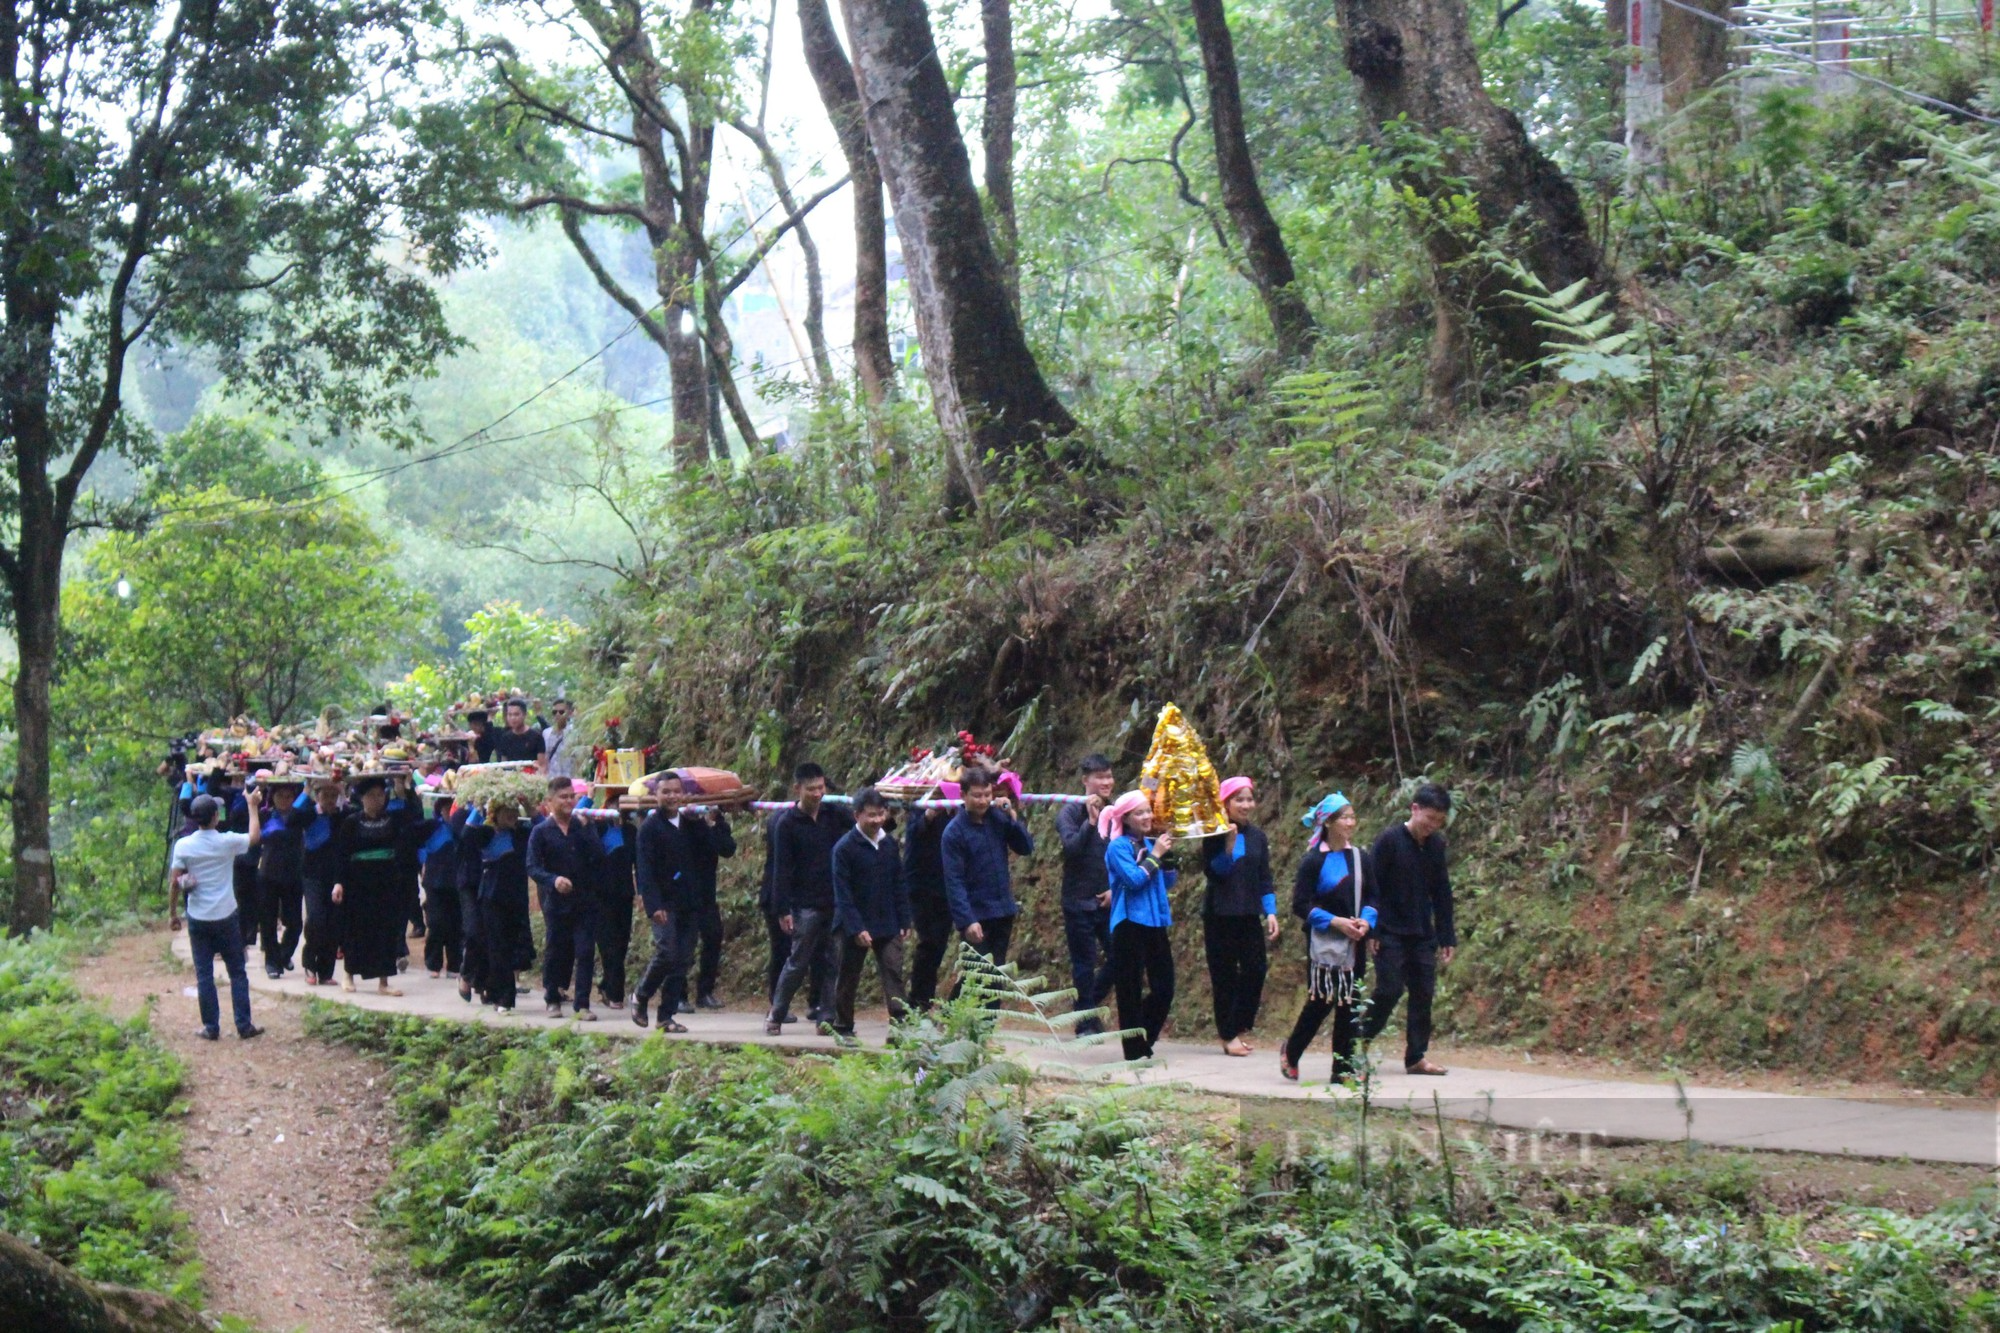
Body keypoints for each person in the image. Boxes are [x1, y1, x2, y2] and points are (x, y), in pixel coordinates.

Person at [1280, 793, 1379, 1084]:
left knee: (1350, 1000)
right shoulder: (1313, 861)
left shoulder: (1361, 857)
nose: (1351, 822)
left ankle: (1342, 1068)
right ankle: (1292, 1050)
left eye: (1352, 816)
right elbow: (1301, 904)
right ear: (1329, 823)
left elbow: (1374, 895)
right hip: (1324, 944)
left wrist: (1366, 922)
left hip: (1355, 942)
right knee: (1321, 1001)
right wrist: (1335, 922)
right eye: (1345, 817)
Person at [1360, 783, 1457, 1076]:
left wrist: (1446, 934)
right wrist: (1372, 929)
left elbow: (1441, 891)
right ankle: (1356, 1041)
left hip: (1421, 931)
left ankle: (1416, 1056)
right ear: (1414, 809)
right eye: (1429, 818)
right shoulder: (1389, 840)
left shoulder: (1436, 846)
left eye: (1439, 821)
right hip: (1388, 930)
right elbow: (1370, 886)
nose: (1432, 825)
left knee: (1423, 993)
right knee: (1389, 989)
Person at [169, 789, 266, 1040]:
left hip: (198, 917)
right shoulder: (226, 842)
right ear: (215, 816)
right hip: (225, 915)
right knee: (237, 971)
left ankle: (211, 1027)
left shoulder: (184, 846)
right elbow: (254, 836)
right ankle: (244, 1024)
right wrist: (252, 805)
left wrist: (173, 914)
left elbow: (174, 882)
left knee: (204, 974)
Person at [764, 762, 853, 1035]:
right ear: (798, 789)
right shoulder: (787, 824)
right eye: (811, 789)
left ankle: (826, 1018)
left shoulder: (835, 814)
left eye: (821, 788)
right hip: (804, 905)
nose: (817, 794)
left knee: (831, 963)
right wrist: (783, 909)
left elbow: (862, 829)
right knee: (797, 962)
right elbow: (781, 870)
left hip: (834, 902)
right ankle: (776, 1014)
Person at [829, 788, 913, 1042]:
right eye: (870, 815)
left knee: (894, 973)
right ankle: (843, 1027)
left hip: (887, 921)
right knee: (848, 976)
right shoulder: (844, 849)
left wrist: (904, 918)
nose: (876, 820)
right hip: (853, 925)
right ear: (857, 815)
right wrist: (856, 928)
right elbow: (842, 894)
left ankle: (900, 1029)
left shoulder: (888, 845)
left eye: (880, 814)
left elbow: (899, 882)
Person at [1202, 776, 1278, 1056]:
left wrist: (1271, 911)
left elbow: (1264, 877)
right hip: (1220, 914)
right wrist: (1229, 844)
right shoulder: (1214, 833)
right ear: (1226, 803)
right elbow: (1215, 873)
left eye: (1249, 799)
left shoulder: (1258, 837)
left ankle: (1237, 1025)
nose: (1246, 805)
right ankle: (1228, 1034)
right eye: (1239, 799)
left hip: (1248, 914)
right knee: (1224, 977)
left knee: (1256, 969)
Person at [1101, 792, 1175, 1061]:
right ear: (1126, 818)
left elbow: (1166, 883)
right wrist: (1155, 856)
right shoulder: (1118, 847)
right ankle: (1133, 1051)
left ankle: (1143, 1036)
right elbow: (1133, 880)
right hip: (1129, 922)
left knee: (1164, 987)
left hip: (1155, 920)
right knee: (1129, 989)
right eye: (1139, 813)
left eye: (1148, 811)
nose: (1147, 817)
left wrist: (1168, 859)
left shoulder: (1152, 843)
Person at [940, 769, 1035, 972]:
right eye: (976, 796)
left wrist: (1012, 818)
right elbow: (954, 881)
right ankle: (956, 1006)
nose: (983, 801)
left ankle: (968, 1006)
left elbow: (1025, 847)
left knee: (996, 975)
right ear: (963, 795)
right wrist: (967, 921)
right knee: (977, 976)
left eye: (987, 795)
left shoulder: (997, 819)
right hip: (977, 914)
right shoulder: (954, 833)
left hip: (1002, 910)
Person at [527, 775, 603, 1020]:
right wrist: (553, 880)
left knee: (585, 951)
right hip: (556, 902)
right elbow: (533, 867)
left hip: (584, 900)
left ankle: (582, 1004)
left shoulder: (582, 827)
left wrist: (588, 828)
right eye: (563, 797)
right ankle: (552, 997)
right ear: (549, 802)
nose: (569, 801)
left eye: (572, 796)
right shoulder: (541, 832)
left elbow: (599, 857)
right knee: (555, 950)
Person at [1055, 754, 1118, 1035]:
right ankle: (1085, 1021)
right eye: (1100, 777)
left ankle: (1086, 1005)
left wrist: (1115, 888)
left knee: (1120, 957)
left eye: (1109, 777)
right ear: (1085, 780)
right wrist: (1091, 822)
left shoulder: (1117, 812)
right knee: (1084, 963)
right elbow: (1072, 849)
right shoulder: (1070, 812)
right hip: (1078, 901)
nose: (1106, 782)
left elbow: (1125, 853)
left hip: (1109, 900)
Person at [331, 777, 412, 995]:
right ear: (362, 798)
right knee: (356, 928)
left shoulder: (393, 820)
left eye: (380, 795)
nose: (376, 799)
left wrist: (402, 791)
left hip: (386, 880)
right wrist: (338, 882)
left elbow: (411, 822)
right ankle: (349, 973)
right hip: (358, 882)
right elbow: (342, 854)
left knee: (385, 929)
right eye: (371, 795)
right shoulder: (351, 822)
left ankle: (383, 982)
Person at [463, 798, 534, 1012]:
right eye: (506, 810)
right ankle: (505, 998)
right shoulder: (486, 834)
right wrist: (478, 807)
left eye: (514, 810)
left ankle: (494, 990)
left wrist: (529, 807)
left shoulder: (521, 834)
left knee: (511, 947)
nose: (511, 815)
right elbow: (466, 836)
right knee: (497, 947)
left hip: (517, 898)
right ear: (495, 813)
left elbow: (540, 827)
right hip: (492, 898)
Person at [252, 778, 306, 980]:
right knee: (267, 921)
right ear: (272, 797)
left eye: (289, 796)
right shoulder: (264, 815)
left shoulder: (299, 816)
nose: (284, 800)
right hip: (268, 874)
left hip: (293, 874)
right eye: (280, 796)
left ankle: (284, 954)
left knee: (294, 923)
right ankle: (272, 962)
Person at [902, 804, 954, 1009]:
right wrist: (928, 816)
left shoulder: (958, 810)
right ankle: (918, 1002)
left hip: (947, 885)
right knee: (928, 942)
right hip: (921, 884)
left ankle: (923, 1000)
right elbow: (914, 833)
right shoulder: (923, 806)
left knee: (938, 944)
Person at [299, 780, 345, 986]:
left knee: (333, 923)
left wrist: (342, 791)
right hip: (312, 876)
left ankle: (326, 972)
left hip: (335, 877)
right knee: (316, 918)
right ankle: (309, 962)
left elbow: (352, 812)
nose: (329, 801)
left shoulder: (340, 817)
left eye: (333, 797)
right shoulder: (309, 815)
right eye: (325, 796)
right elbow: (293, 816)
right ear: (317, 797)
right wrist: (306, 791)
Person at [595, 804, 637, 1010]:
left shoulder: (630, 831)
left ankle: (607, 985)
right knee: (608, 944)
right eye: (614, 804)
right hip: (601, 895)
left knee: (621, 943)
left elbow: (639, 862)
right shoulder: (598, 828)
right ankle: (615, 993)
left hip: (624, 894)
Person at [418, 794, 463, 978]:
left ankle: (454, 965)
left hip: (456, 881)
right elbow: (421, 848)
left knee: (455, 924)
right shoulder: (433, 827)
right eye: (445, 808)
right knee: (436, 923)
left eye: (451, 808)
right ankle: (433, 963)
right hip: (435, 880)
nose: (448, 812)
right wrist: (423, 865)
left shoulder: (460, 827)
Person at [490, 698, 548, 765]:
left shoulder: (536, 737)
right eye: (510, 714)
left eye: (516, 714)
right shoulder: (505, 738)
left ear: (524, 715)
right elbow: (504, 765)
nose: (513, 718)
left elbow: (542, 765)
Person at [543, 698, 578, 779]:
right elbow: (545, 757)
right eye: (554, 712)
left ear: (570, 713)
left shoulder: (575, 733)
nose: (557, 714)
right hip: (551, 779)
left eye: (561, 712)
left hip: (569, 779)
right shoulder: (546, 733)